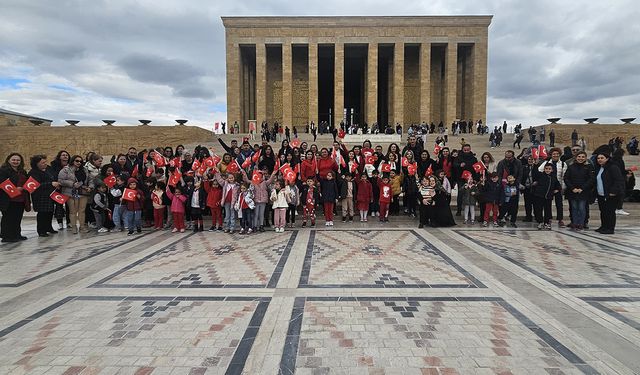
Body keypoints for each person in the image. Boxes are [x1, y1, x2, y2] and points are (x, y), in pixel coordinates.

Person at [0, 153, 29, 242]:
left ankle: (17, 234)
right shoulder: (3, 171)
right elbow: (2, 183)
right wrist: (15, 189)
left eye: (18, 160)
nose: (16, 162)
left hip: (20, 198)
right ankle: (7, 236)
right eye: (13, 160)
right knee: (8, 218)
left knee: (17, 217)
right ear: (8, 160)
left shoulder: (22, 171)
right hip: (8, 199)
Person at [594, 152, 625, 234]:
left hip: (611, 194)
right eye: (598, 158)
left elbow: (618, 180)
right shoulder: (599, 168)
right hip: (601, 194)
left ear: (607, 158)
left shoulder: (613, 167)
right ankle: (604, 226)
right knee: (603, 211)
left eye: (602, 158)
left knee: (610, 212)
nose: (600, 160)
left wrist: (613, 191)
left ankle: (610, 228)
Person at [58, 155, 90, 234]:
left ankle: (82, 227)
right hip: (70, 193)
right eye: (77, 161)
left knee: (82, 211)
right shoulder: (65, 170)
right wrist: (72, 184)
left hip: (82, 192)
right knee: (73, 211)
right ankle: (74, 227)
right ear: (72, 161)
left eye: (80, 161)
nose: (79, 162)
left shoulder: (85, 169)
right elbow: (61, 180)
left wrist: (90, 187)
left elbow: (90, 179)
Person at [28, 154, 59, 237]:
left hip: (50, 194)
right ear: (36, 164)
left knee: (49, 212)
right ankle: (41, 230)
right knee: (42, 213)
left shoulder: (48, 169)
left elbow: (54, 177)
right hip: (40, 196)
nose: (45, 164)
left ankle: (49, 227)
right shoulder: (33, 172)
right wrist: (51, 183)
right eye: (42, 163)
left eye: (45, 162)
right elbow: (35, 185)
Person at [563, 151, 594, 230]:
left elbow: (591, 179)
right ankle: (575, 222)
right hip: (572, 191)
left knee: (582, 207)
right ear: (576, 157)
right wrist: (572, 188)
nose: (581, 158)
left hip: (583, 191)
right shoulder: (571, 167)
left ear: (585, 158)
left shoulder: (589, 167)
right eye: (579, 156)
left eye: (583, 157)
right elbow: (566, 178)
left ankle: (581, 223)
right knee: (574, 208)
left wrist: (582, 188)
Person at [537, 148, 567, 227]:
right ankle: (548, 219)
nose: (555, 155)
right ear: (551, 154)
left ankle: (560, 219)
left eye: (557, 154)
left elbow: (564, 177)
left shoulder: (563, 164)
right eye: (554, 154)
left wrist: (561, 188)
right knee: (548, 205)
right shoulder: (547, 162)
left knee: (559, 204)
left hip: (557, 187)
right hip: (547, 187)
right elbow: (540, 170)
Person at [532, 163, 561, 230]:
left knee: (548, 210)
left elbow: (558, 185)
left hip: (548, 197)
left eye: (549, 169)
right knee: (538, 209)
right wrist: (536, 165)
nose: (547, 170)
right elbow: (535, 173)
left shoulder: (553, 177)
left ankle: (546, 222)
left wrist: (556, 190)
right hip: (539, 196)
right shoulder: (540, 175)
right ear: (544, 169)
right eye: (546, 169)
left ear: (552, 170)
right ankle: (540, 222)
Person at [213, 169, 239, 233]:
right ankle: (227, 227)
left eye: (232, 178)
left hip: (233, 202)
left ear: (234, 178)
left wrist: (237, 201)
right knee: (227, 215)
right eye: (229, 178)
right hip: (226, 202)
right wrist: (217, 173)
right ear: (227, 178)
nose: (231, 179)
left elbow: (238, 195)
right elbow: (219, 180)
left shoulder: (237, 185)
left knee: (232, 215)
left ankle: (232, 228)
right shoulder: (225, 183)